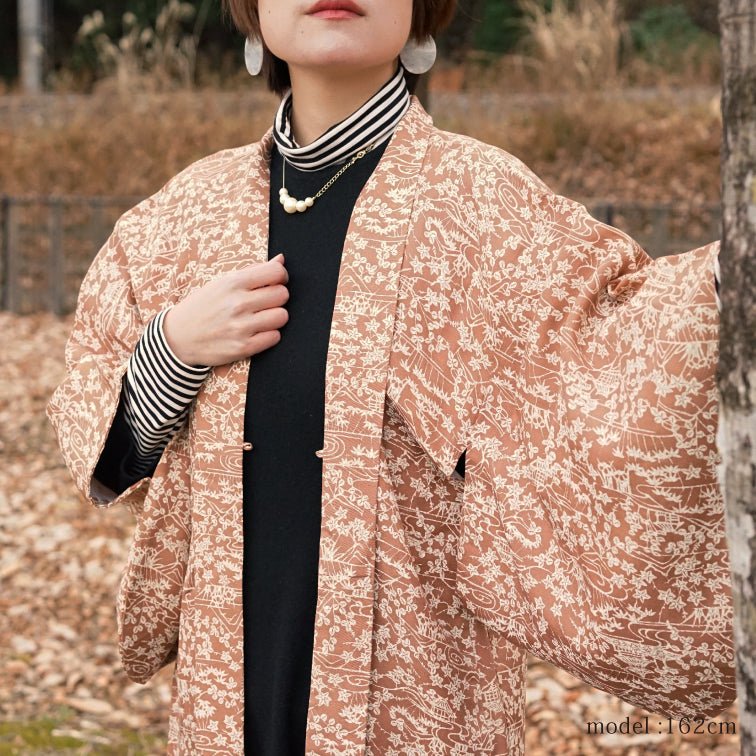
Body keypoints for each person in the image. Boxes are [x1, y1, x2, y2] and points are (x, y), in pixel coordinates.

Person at [46, 1, 735, 754]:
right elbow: (100, 439)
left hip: (423, 707)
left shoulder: (489, 207)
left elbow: (621, 369)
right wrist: (171, 350)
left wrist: (732, 282)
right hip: (227, 699)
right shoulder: (177, 221)